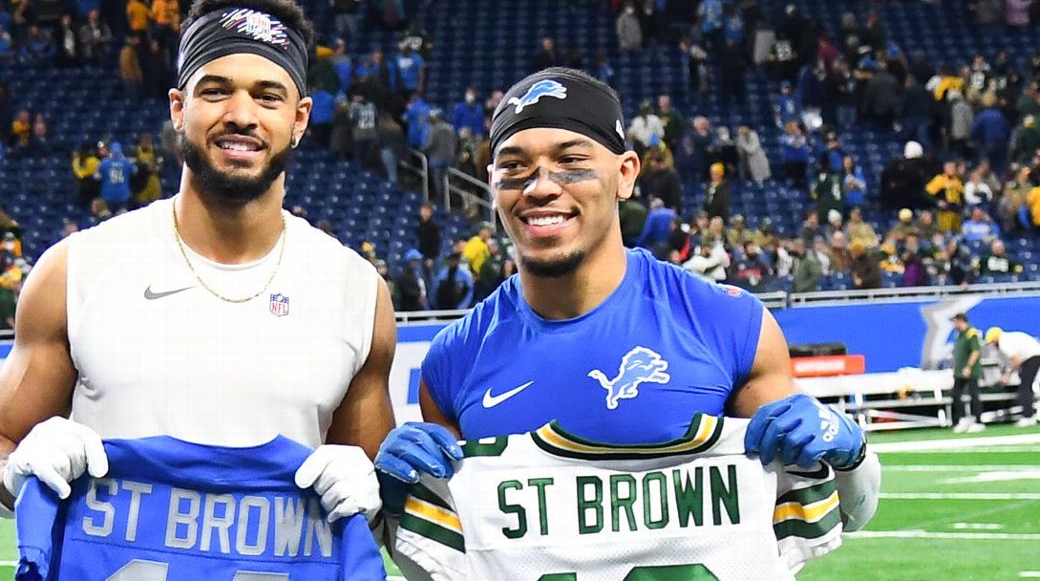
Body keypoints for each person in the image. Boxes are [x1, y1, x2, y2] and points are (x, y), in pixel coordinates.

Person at [376, 68, 880, 566]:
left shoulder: (726, 325)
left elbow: (847, 511)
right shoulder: (454, 360)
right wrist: (397, 508)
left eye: (571, 161)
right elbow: (451, 560)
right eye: (514, 166)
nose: (540, 186)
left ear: (625, 175)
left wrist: (851, 455)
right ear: (491, 184)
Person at [0, 0, 396, 550]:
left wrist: (377, 489)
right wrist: (13, 469)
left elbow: (377, 505)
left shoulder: (355, 292)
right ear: (178, 107)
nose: (241, 115)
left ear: (300, 119)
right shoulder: (79, 270)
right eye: (216, 91)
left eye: (268, 97)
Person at [985, 327, 1040, 427]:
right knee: (1025, 386)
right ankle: (1029, 414)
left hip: (1033, 357)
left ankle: (1028, 416)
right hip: (1032, 356)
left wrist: (1007, 375)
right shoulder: (1008, 338)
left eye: (992, 342)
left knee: (1024, 388)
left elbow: (1016, 361)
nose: (992, 345)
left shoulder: (1004, 343)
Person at [949, 313, 985, 433]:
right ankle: (963, 418)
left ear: (960, 321)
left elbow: (975, 351)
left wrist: (968, 366)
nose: (954, 324)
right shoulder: (959, 335)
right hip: (959, 371)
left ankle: (978, 421)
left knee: (974, 395)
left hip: (970, 371)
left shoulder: (971, 333)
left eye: (955, 321)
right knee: (956, 395)